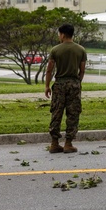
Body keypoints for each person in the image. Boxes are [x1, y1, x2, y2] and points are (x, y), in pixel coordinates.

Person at [43, 23, 88, 154]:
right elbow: (82, 70)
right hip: (74, 84)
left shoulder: (55, 50)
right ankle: (68, 143)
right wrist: (77, 82)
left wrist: (47, 86)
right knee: (73, 113)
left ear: (62, 34)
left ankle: (54, 143)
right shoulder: (80, 50)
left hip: (59, 84)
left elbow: (49, 70)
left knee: (56, 113)